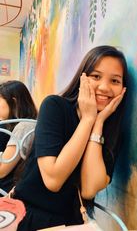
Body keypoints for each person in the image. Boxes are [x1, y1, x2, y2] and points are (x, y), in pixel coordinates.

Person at [13, 45, 129, 231]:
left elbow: (89, 189)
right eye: (96, 76)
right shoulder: (55, 107)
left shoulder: (114, 132)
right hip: (27, 216)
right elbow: (53, 180)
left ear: (123, 89)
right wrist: (88, 119)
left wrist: (97, 124)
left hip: (71, 223)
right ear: (83, 78)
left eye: (115, 80)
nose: (104, 87)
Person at [0, 80, 37, 194]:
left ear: (14, 103)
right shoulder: (31, 123)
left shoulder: (24, 126)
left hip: (8, 192)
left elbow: (2, 171)